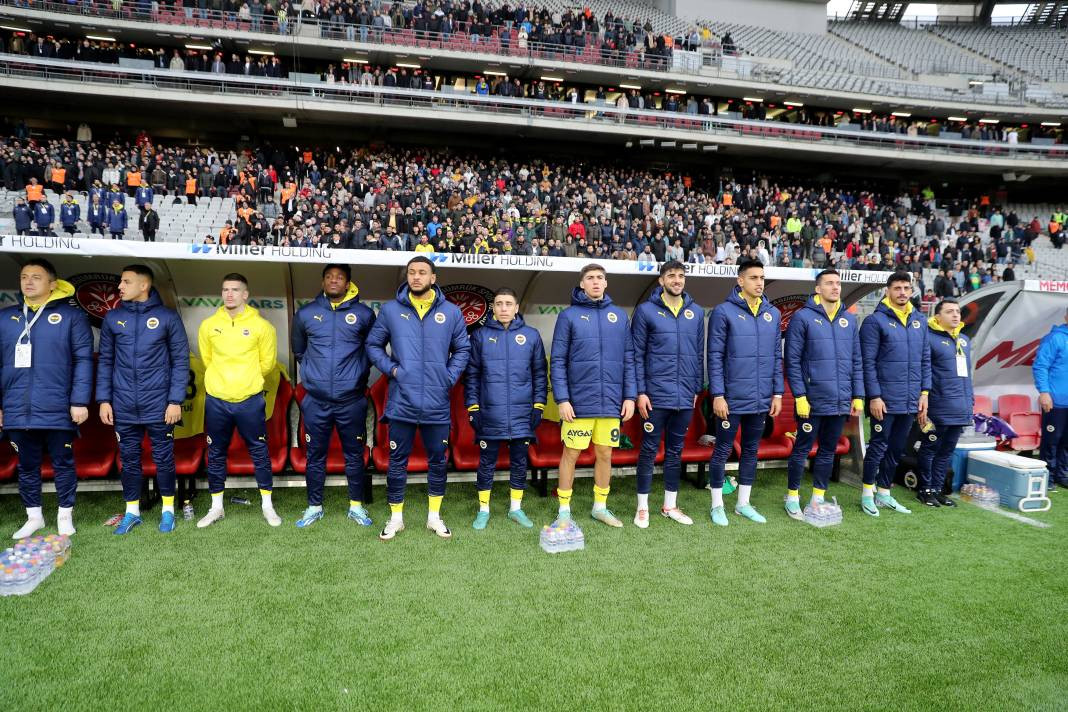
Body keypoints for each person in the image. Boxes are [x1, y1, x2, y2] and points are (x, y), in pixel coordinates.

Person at [366, 256, 470, 540]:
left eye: (422, 272)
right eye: (411, 272)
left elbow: (463, 349)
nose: (416, 277)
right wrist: (392, 370)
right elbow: (373, 345)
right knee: (397, 460)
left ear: (433, 278)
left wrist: (448, 377)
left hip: (437, 402)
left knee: (438, 461)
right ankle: (395, 518)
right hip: (402, 401)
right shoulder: (391, 310)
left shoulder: (451, 312)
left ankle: (434, 517)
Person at [0, 258, 93, 538]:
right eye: (24, 277)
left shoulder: (72, 317)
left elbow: (83, 360)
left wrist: (79, 401)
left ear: (52, 284)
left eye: (36, 277)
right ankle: (34, 517)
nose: (28, 281)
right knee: (26, 465)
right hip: (16, 407)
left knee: (63, 463)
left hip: (57, 406)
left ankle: (65, 515)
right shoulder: (5, 317)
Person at [97, 265, 189, 534]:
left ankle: (168, 510)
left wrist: (175, 400)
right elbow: (105, 362)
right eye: (121, 281)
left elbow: (180, 362)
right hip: (123, 404)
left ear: (144, 285)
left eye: (126, 282)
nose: (120, 287)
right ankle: (132, 512)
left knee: (164, 458)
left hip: (159, 404)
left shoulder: (167, 317)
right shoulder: (113, 318)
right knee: (129, 459)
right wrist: (104, 399)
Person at [550, 263, 636, 528]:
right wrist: (563, 399)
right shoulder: (568, 316)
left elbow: (629, 358)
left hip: (611, 401)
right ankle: (564, 510)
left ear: (606, 283)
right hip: (578, 403)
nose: (596, 282)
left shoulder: (619, 316)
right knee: (571, 454)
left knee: (605, 454)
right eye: (590, 278)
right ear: (582, 284)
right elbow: (558, 360)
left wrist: (630, 396)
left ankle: (600, 507)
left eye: (600, 277)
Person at [291, 264, 376, 528]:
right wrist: (316, 376)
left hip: (351, 400)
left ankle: (356, 506)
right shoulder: (306, 313)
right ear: (322, 282)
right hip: (316, 401)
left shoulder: (364, 314)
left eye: (339, 277)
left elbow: (372, 349)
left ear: (348, 283)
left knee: (354, 454)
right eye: (328, 277)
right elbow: (299, 351)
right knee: (315, 455)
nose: (333, 281)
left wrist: (355, 374)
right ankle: (314, 506)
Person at [195, 273, 280, 528]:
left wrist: (245, 380)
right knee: (216, 452)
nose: (229, 294)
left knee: (259, 451)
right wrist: (223, 381)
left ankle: (267, 506)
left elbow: (267, 364)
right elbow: (207, 359)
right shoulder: (209, 325)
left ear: (245, 294)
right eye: (225, 290)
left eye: (234, 289)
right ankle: (216, 508)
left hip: (249, 400)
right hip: (217, 400)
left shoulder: (262, 326)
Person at [706, 258, 783, 526]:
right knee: (723, 449)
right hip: (731, 398)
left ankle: (743, 504)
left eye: (762, 278)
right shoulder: (723, 312)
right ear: (740, 281)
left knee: (751, 450)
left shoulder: (772, 313)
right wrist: (718, 394)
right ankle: (717, 505)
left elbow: (776, 356)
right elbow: (714, 356)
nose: (759, 283)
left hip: (760, 398)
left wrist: (777, 393)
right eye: (753, 278)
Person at [463, 287, 546, 530]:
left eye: (508, 304)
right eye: (499, 304)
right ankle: (483, 510)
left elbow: (540, 374)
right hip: (490, 413)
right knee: (486, 463)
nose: (504, 308)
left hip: (522, 414)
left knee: (519, 463)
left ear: (516, 307)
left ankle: (515, 509)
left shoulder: (531, 335)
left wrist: (538, 406)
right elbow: (472, 375)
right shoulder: (479, 336)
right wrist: (473, 407)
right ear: (493, 307)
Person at [783, 269, 864, 519]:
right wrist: (799, 396)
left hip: (839, 400)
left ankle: (818, 497)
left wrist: (858, 395)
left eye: (838, 283)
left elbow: (856, 360)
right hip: (811, 400)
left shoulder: (848, 320)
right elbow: (792, 360)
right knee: (802, 449)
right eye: (829, 283)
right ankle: (792, 496)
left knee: (828, 450)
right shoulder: (802, 317)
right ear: (818, 288)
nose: (835, 287)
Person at [630, 260, 703, 528]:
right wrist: (640, 391)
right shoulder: (645, 311)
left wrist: (696, 388)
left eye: (681, 275)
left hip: (684, 395)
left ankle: (669, 505)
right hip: (655, 395)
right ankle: (642, 508)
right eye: (671, 275)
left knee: (675, 451)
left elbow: (698, 354)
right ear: (661, 280)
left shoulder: (695, 312)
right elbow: (636, 354)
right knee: (649, 450)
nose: (677, 280)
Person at [859, 271, 931, 517]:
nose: (902, 292)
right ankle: (867, 494)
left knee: (897, 449)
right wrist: (874, 396)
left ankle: (884, 493)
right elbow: (867, 363)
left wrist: (924, 393)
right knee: (878, 446)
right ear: (887, 291)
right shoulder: (874, 321)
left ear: (911, 291)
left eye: (906, 288)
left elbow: (925, 359)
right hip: (884, 400)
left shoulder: (919, 320)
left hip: (910, 399)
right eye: (897, 288)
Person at [915, 299, 973, 507]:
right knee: (930, 448)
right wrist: (923, 400)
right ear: (938, 317)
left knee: (946, 451)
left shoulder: (964, 340)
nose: (955, 315)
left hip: (960, 408)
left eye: (957, 311)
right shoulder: (928, 338)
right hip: (938, 406)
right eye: (949, 312)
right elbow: (923, 372)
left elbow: (967, 376)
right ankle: (925, 490)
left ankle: (938, 489)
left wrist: (970, 402)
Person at [1034, 305, 1068, 488]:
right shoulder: (1054, 338)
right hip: (1056, 401)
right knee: (1052, 441)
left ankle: (1062, 475)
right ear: (1066, 317)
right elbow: (1040, 366)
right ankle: (1048, 477)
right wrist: (1044, 392)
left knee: (1066, 442)